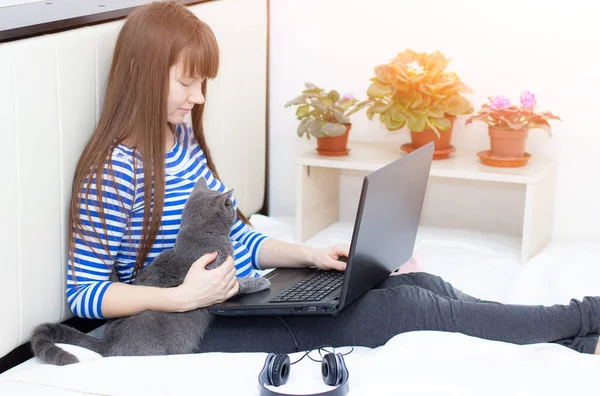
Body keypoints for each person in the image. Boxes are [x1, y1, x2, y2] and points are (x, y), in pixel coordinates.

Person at [67, 1, 600, 356]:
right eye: (188, 82)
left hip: (224, 297)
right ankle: (582, 319)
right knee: (407, 308)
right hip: (184, 325)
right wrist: (181, 298)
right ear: (141, 73)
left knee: (421, 285)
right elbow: (84, 295)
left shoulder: (180, 143)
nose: (199, 98)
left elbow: (237, 236)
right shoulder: (112, 173)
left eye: (203, 83)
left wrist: (307, 255)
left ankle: (574, 342)